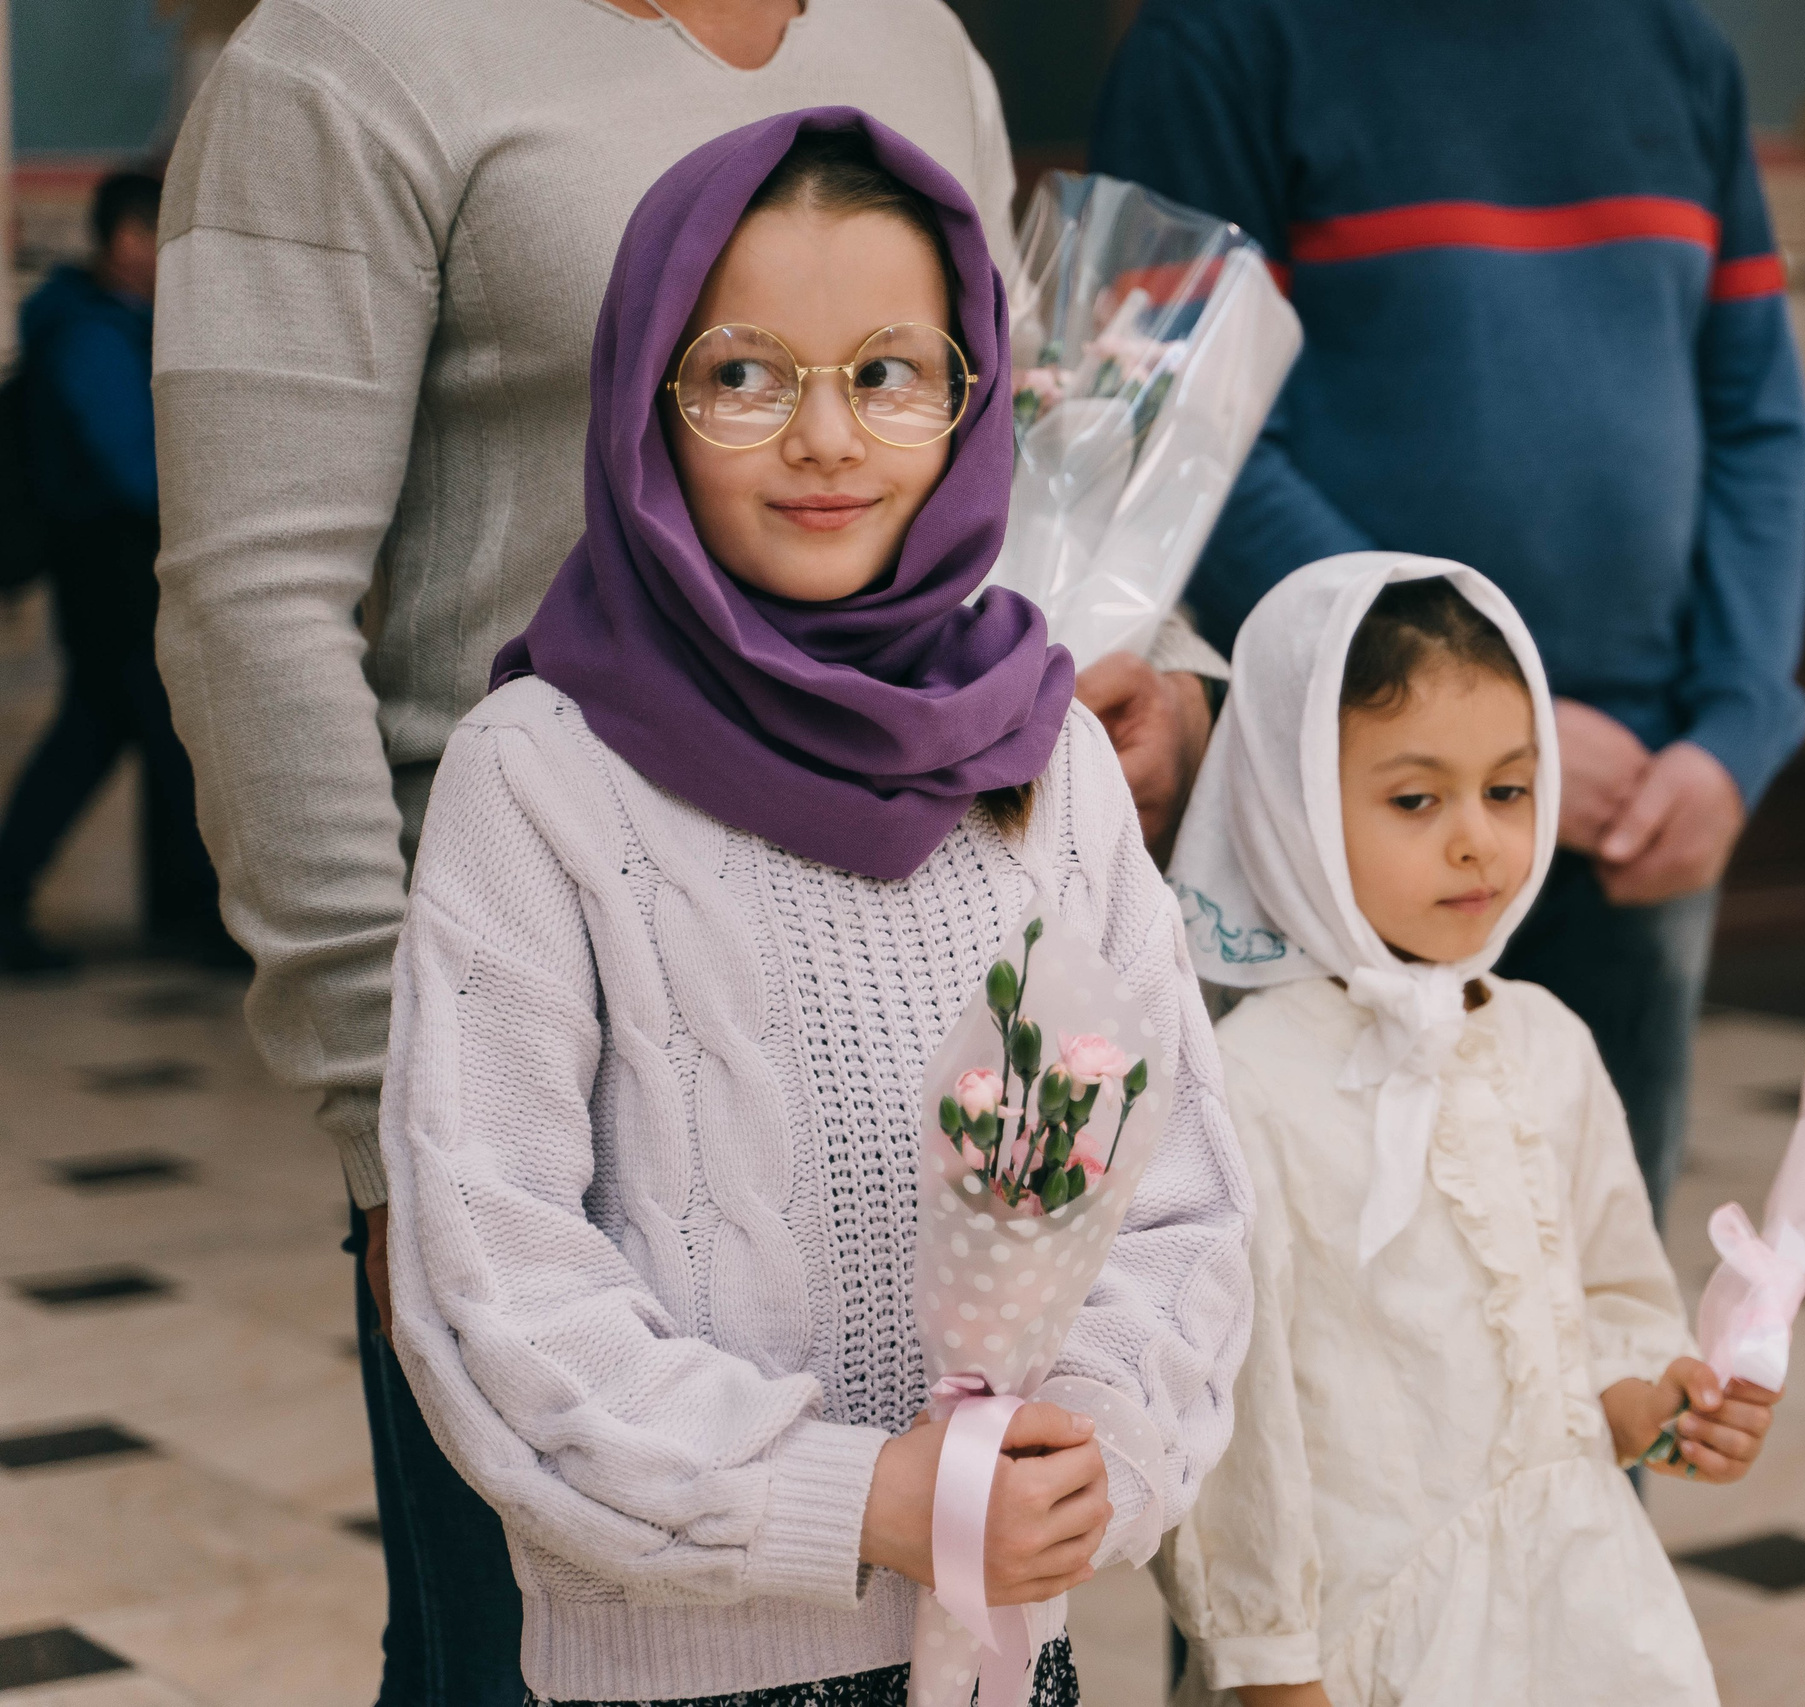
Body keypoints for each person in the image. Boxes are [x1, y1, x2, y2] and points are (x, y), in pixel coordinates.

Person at [150, 4, 1203, 1697]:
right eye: (738, 376)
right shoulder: (354, 53)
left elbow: (997, 419)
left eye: (877, 383)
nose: (824, 430)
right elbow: (253, 604)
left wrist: (1052, 688)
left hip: (931, 923)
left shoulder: (915, 40)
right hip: (557, 1053)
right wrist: (385, 1129)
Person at [1090, 0, 1805, 1220]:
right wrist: (1487, 727)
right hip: (1353, 790)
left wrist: (1734, 735)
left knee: (1590, 1281)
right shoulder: (1221, 42)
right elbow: (1190, 438)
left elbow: (1755, 418)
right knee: (1341, 1294)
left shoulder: (1676, 51)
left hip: (1643, 791)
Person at [1159, 555, 1779, 1706]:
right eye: (1414, 799)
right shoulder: (1247, 1085)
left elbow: (1606, 1296)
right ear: (1289, 803)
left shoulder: (1547, 1041)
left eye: (1507, 790)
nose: (1476, 842)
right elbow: (1234, 1427)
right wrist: (1269, 1663)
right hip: (1363, 1638)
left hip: (1577, 1613)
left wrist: (1654, 1404)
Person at [0, 169, 227, 975]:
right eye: (165, 236)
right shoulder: (92, 333)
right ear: (127, 240)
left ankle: (184, 906)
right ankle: (201, 911)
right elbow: (135, 470)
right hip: (110, 566)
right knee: (144, 732)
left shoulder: (113, 323)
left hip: (119, 566)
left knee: (104, 731)